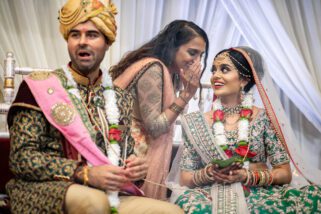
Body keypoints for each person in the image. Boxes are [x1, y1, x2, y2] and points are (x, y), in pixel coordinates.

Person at [5, 0, 183, 213]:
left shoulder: (119, 98)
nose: (82, 42)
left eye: (91, 35)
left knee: (169, 211)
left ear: (107, 42)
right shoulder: (39, 87)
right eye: (74, 35)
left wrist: (135, 170)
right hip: (44, 187)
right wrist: (84, 173)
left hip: (107, 193)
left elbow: (122, 156)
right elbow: (21, 158)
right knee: (93, 202)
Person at [167, 46, 321, 213]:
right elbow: (185, 178)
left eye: (224, 69)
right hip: (209, 193)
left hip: (259, 191)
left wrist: (248, 176)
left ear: (244, 80)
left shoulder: (263, 118)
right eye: (213, 70)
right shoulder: (196, 122)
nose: (215, 76)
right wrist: (208, 173)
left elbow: (284, 173)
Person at [110, 20, 209, 200]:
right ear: (173, 46)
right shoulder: (153, 68)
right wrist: (186, 95)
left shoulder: (168, 72)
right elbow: (155, 127)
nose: (197, 62)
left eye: (201, 56)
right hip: (131, 160)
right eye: (192, 53)